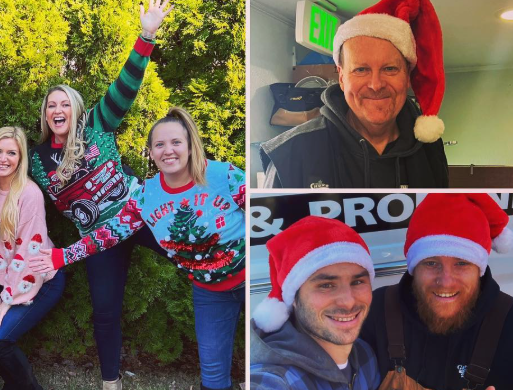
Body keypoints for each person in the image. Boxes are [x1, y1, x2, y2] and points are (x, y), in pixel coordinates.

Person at [31, 107, 245, 390]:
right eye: (159, 145)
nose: (168, 151)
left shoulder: (224, 176)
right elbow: (107, 235)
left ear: (191, 145)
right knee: (214, 382)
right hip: (210, 294)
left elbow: (268, 218)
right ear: (152, 153)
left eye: (176, 143)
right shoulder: (145, 196)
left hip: (252, 280)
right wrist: (62, 256)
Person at [28, 0, 172, 390]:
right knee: (105, 313)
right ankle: (111, 382)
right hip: (97, 241)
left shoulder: (98, 124)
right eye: (50, 106)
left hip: (140, 215)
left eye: (64, 104)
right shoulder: (36, 159)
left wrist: (146, 36)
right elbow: (9, 185)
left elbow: (126, 85)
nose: (57, 110)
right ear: (45, 116)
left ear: (76, 109)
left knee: (191, 255)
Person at [260, 0, 450, 189]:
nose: (376, 85)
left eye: (390, 69)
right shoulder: (289, 154)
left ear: (407, 76)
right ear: (342, 77)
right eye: (361, 70)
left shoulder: (429, 148)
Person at [361, 193, 513, 389]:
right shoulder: (376, 311)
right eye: (431, 263)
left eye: (461, 263)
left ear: (479, 270)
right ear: (414, 268)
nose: (446, 282)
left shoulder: (509, 321)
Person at [0, 126, 65, 390]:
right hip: (9, 283)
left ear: (20, 158)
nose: (3, 158)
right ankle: (15, 384)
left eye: (11, 152)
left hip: (41, 280)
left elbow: (29, 253)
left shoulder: (29, 194)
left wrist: (7, 298)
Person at [250, 216, 379, 390]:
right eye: (326, 285)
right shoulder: (276, 380)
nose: (348, 301)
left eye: (357, 282)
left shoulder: (364, 355)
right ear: (293, 298)